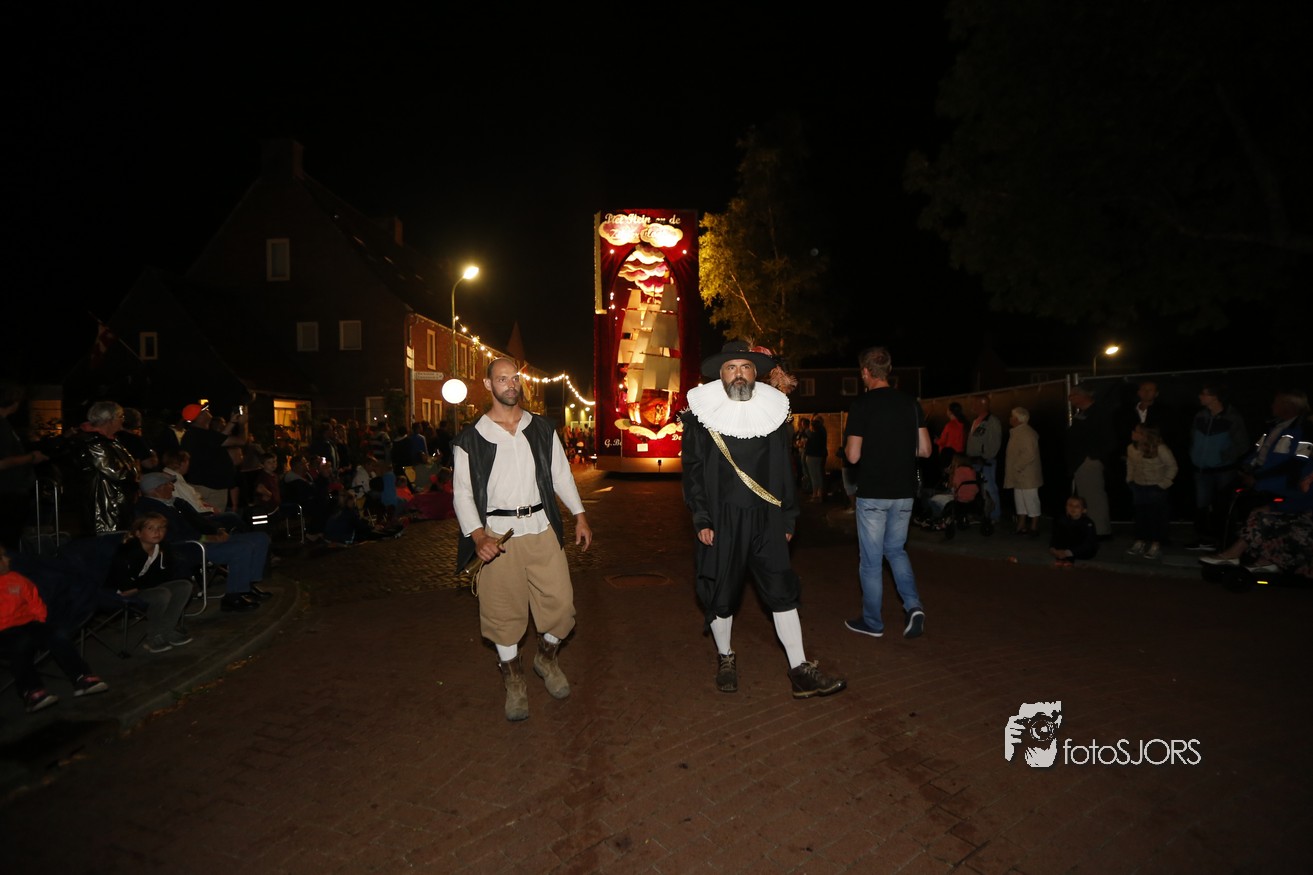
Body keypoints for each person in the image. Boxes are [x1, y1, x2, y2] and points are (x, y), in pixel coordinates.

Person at [680, 341, 845, 699]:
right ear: (721, 374)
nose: (738, 373)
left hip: (767, 517)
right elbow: (693, 472)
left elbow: (784, 471)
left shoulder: (773, 414)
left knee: (781, 591)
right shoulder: (700, 417)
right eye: (731, 367)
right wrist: (702, 518)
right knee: (722, 591)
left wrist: (788, 518)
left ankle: (800, 670)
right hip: (721, 519)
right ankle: (725, 657)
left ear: (755, 373)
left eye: (745, 367)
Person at [452, 356, 593, 722]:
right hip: (498, 538)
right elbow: (462, 493)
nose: (510, 384)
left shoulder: (541, 429)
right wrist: (478, 536)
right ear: (488, 385)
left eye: (514, 377)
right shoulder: (471, 438)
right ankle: (514, 680)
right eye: (502, 379)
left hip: (542, 527)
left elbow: (561, 475)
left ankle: (546, 658)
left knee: (562, 607)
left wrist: (579, 515)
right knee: (503, 615)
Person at [843, 345, 930, 640]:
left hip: (874, 492)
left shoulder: (862, 405)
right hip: (904, 492)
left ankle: (872, 622)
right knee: (896, 550)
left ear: (865, 373)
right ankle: (913, 606)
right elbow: (926, 450)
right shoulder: (910, 403)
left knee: (871, 561)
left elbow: (853, 455)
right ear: (889, 370)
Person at [134, 472, 272, 613]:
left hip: (204, 540)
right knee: (241, 548)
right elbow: (170, 536)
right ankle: (234, 596)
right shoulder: (148, 510)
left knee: (261, 538)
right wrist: (207, 538)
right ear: (157, 489)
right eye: (168, 484)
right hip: (188, 547)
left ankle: (246, 586)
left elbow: (201, 521)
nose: (173, 487)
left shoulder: (177, 503)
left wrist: (218, 530)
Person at [1, 544, 109, 712]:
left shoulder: (16, 578)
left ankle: (82, 678)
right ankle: (32, 692)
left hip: (28, 623)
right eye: (2, 557)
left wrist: (40, 622)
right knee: (21, 644)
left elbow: (35, 602)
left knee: (56, 634)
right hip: (4, 632)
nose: (8, 559)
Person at [104, 512, 194, 653]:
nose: (157, 532)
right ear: (138, 533)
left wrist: (141, 585)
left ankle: (167, 630)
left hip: (143, 587)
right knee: (161, 594)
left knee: (184, 586)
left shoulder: (163, 548)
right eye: (150, 528)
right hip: (121, 592)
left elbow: (166, 575)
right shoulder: (127, 551)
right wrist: (141, 585)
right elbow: (122, 580)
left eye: (161, 528)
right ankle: (154, 636)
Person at [1200, 469, 1313, 576]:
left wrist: (1273, 506)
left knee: (1267, 521)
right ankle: (1266, 560)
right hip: (1304, 514)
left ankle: (1234, 554)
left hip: (1308, 520)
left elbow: (1306, 500)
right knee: (1261, 515)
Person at [1186, 384, 1249, 551]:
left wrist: (1223, 458)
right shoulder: (1200, 415)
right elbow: (1193, 437)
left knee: (1223, 506)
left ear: (1215, 397)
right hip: (1201, 469)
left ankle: (1224, 540)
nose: (1200, 396)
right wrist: (1195, 455)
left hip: (1223, 471)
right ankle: (1204, 539)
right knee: (1201, 505)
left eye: (1204, 394)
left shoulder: (1233, 417)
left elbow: (1242, 444)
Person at [68, 400, 139, 535]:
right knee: (108, 541)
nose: (123, 420)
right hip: (105, 507)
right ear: (109, 420)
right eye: (120, 416)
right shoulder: (93, 443)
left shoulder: (111, 440)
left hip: (116, 503)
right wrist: (135, 475)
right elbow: (117, 473)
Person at [0, 382, 48, 552]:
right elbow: (3, 462)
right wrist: (31, 457)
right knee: (8, 541)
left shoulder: (5, 424)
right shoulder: (2, 426)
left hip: (10, 491)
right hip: (8, 492)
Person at [1065, 384, 1114, 538]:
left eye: (1073, 394)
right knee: (1086, 496)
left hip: (1088, 461)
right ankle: (1089, 528)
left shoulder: (1099, 413)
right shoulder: (1083, 413)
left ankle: (1100, 530)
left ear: (1084, 395)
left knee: (1094, 497)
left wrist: (1092, 456)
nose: (1070, 398)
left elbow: (1108, 438)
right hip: (1080, 461)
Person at [1125, 425, 1178, 559]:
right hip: (1138, 486)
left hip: (1155, 487)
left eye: (1137, 431)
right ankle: (1140, 541)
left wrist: (1163, 484)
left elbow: (1172, 466)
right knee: (1140, 516)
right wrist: (1130, 480)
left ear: (1144, 435)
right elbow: (1130, 464)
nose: (1133, 433)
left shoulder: (1160, 448)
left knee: (1156, 517)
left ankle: (1156, 544)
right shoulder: (1131, 448)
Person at [179, 402, 240, 514]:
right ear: (199, 417)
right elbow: (240, 440)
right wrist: (244, 424)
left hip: (201, 485)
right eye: (204, 411)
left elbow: (220, 438)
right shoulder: (202, 435)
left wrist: (232, 422)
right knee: (214, 518)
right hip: (213, 488)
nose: (208, 411)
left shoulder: (193, 435)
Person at [1004, 406, 1043, 535]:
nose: (1010, 418)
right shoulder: (1018, 432)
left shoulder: (1026, 433)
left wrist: (1017, 466)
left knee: (1031, 499)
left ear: (1017, 419)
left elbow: (1029, 454)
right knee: (1020, 500)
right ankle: (1021, 524)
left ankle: (1034, 526)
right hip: (1020, 474)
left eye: (1012, 416)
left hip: (1027, 474)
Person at [965, 395, 1003, 522]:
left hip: (985, 462)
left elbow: (995, 442)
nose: (972, 406)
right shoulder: (976, 421)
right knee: (979, 490)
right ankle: (983, 513)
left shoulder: (992, 421)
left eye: (975, 403)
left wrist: (985, 457)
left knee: (990, 488)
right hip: (974, 461)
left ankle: (994, 515)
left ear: (982, 404)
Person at [1049, 495, 1099, 567]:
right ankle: (1061, 555)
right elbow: (1055, 536)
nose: (1073, 508)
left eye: (1077, 506)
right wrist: (1053, 548)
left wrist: (1069, 552)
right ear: (1066, 507)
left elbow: (1089, 543)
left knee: (1076, 533)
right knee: (1062, 530)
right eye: (1070, 505)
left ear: (1084, 510)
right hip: (1066, 548)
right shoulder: (1062, 520)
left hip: (1083, 551)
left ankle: (1068, 557)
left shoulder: (1087, 523)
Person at [935, 401, 968, 474]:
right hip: (961, 455)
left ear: (950, 412)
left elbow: (942, 441)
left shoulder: (949, 425)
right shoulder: (964, 424)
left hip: (950, 457)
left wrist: (936, 441)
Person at [804, 414, 828, 502]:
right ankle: (819, 494)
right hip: (818, 455)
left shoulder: (817, 432)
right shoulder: (822, 431)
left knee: (814, 475)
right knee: (818, 474)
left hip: (813, 455)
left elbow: (810, 436)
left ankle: (815, 494)